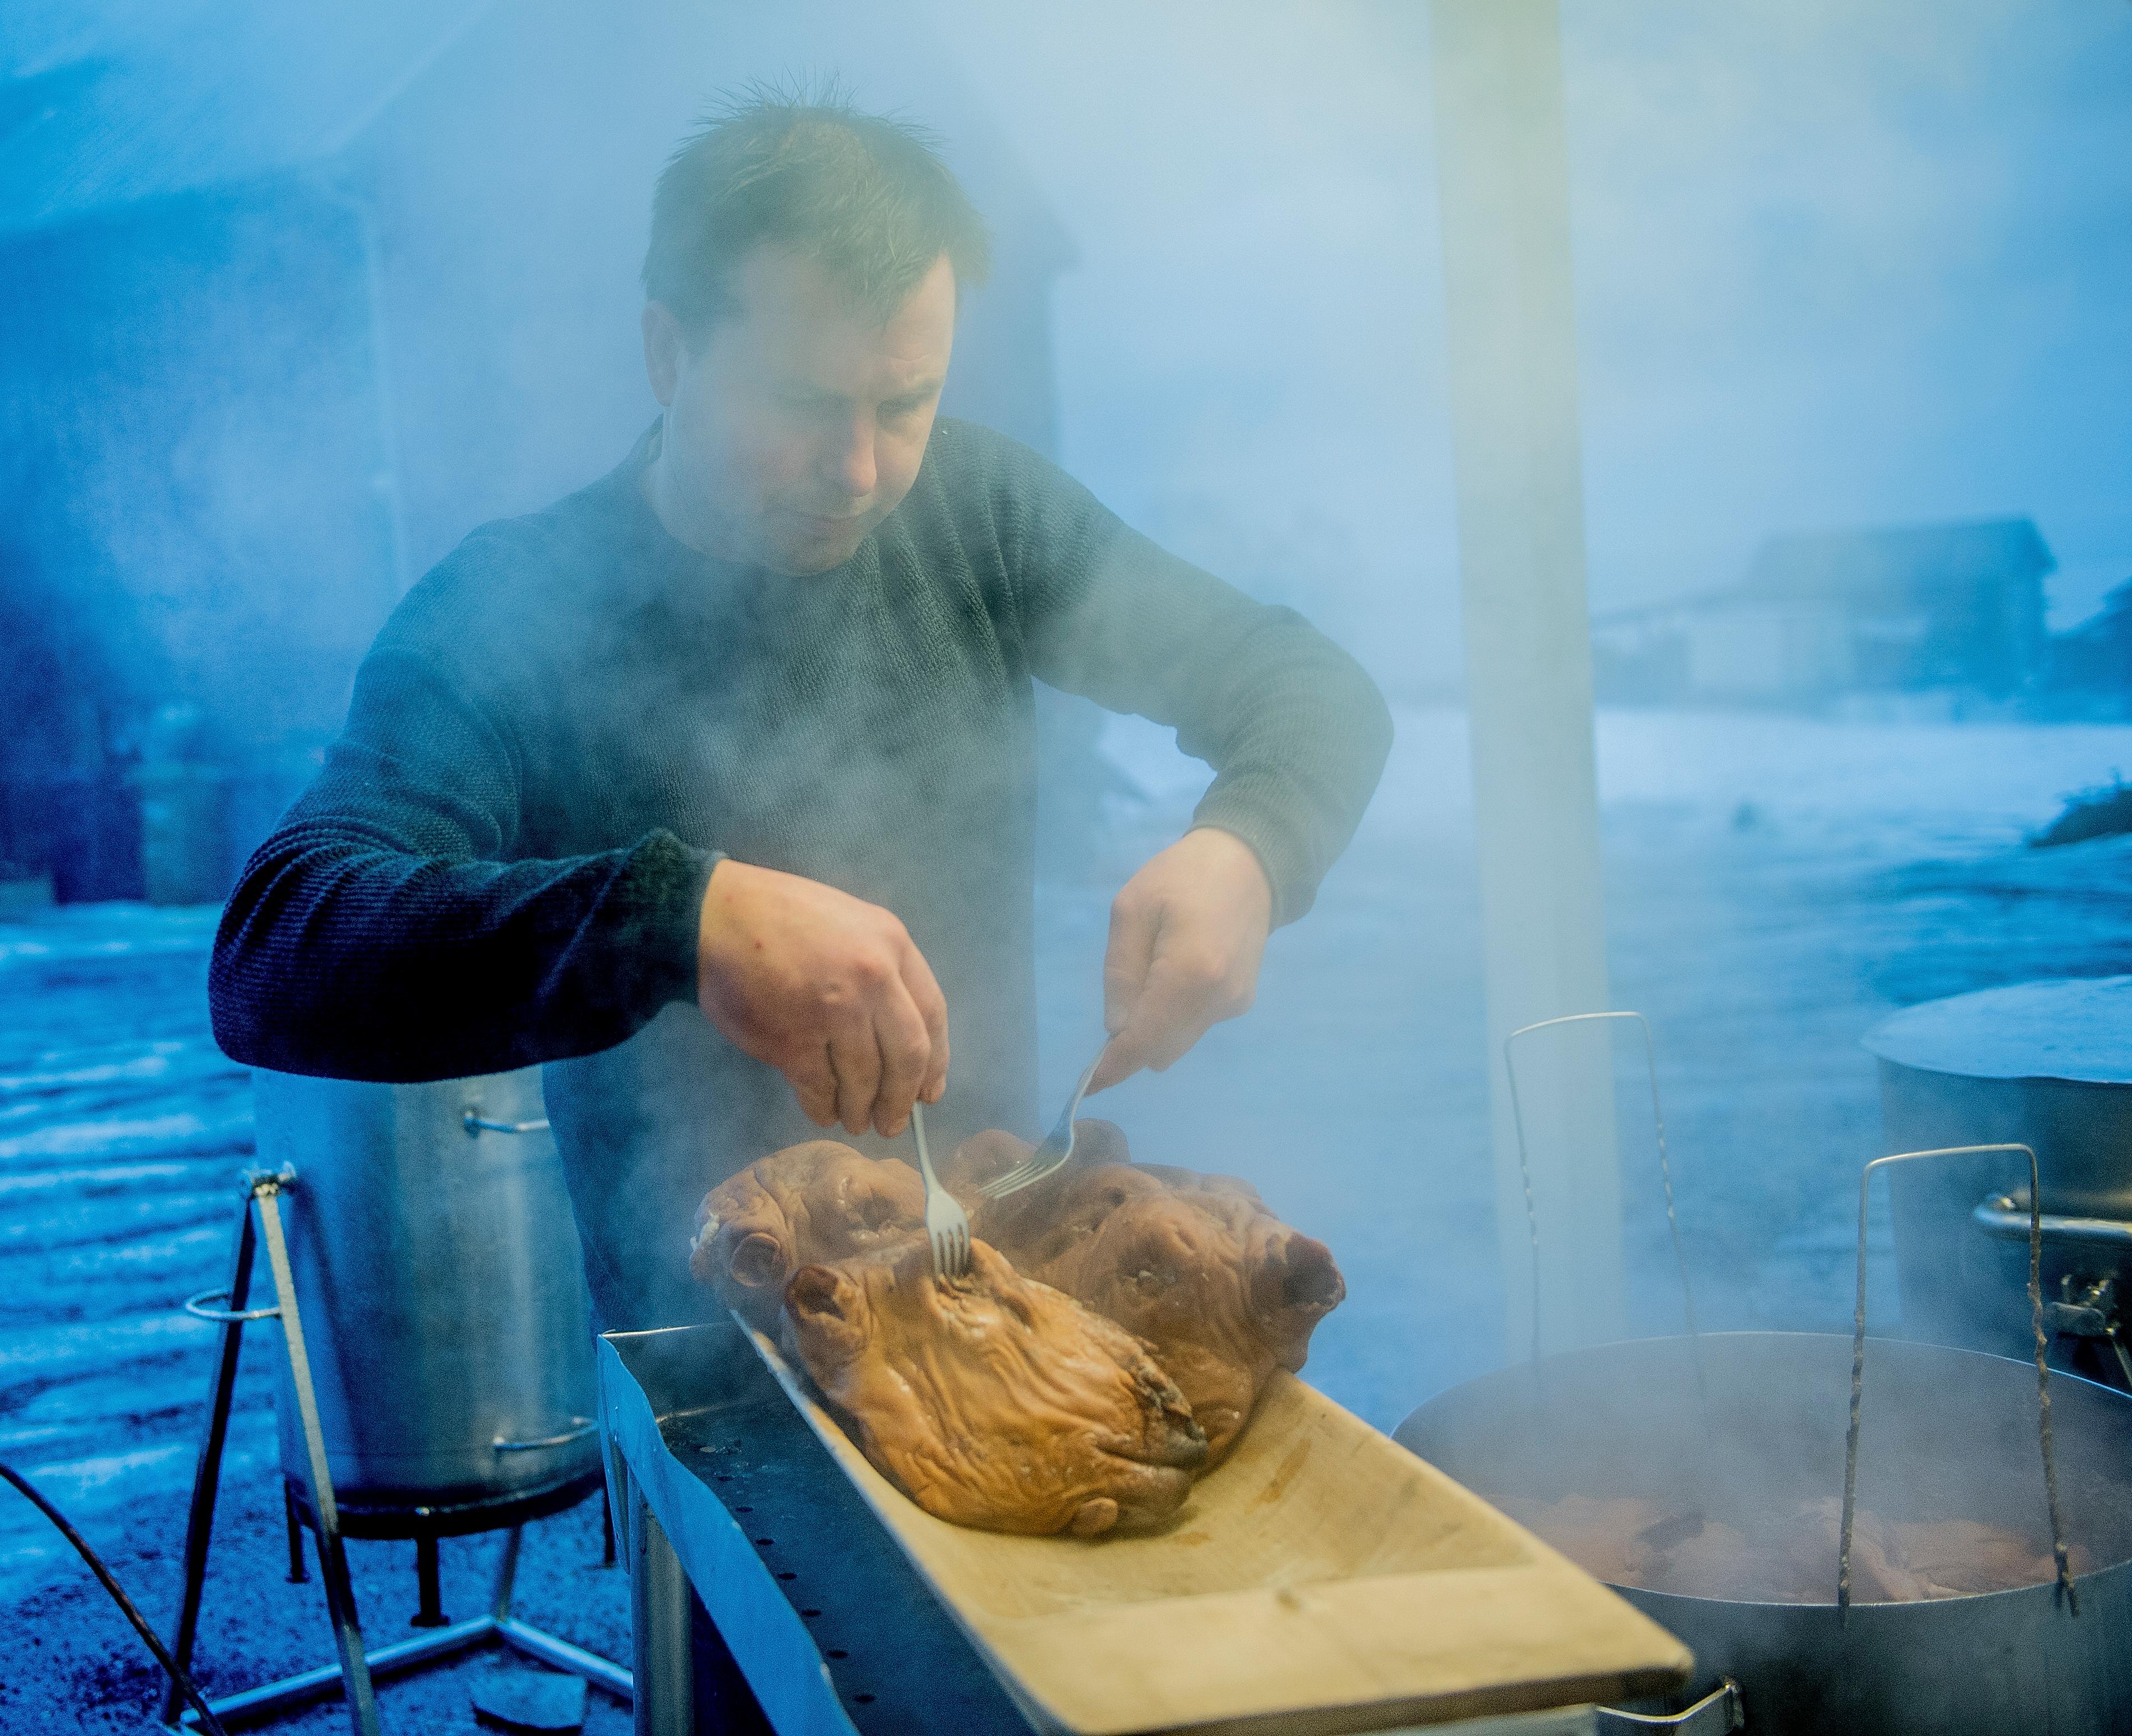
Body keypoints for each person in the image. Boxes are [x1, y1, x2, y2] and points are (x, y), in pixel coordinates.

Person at [210, 90, 1391, 1332]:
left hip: (989, 1294)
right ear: (669, 353)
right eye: (801, 404)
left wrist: (1249, 844)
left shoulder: (983, 513)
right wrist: (683, 916)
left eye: (903, 403)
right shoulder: (514, 609)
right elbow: (275, 947)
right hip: (695, 1354)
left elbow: (1304, 685)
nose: (860, 471)